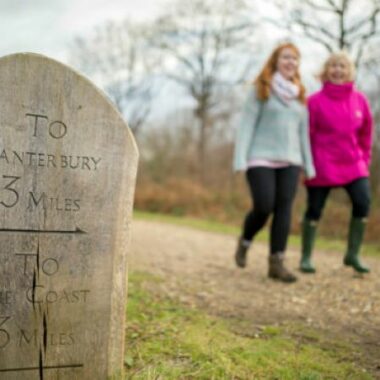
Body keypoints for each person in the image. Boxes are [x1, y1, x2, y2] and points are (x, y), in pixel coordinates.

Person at [233, 43, 315, 283]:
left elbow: (303, 134)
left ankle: (276, 263)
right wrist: (240, 158)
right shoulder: (261, 88)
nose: (291, 62)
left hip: (291, 160)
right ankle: (245, 239)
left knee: (284, 209)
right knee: (264, 205)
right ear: (276, 61)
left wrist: (309, 165)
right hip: (260, 157)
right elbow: (246, 125)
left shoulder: (300, 94)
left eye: (295, 59)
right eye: (286, 57)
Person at [300, 52, 373, 274]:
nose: (337, 70)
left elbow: (366, 133)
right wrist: (307, 164)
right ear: (325, 71)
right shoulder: (314, 102)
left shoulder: (360, 100)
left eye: (342, 66)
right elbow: (307, 134)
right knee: (314, 209)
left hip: (353, 163)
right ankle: (306, 257)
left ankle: (352, 255)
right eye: (333, 66)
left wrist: (364, 159)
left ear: (349, 71)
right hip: (322, 163)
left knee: (363, 202)